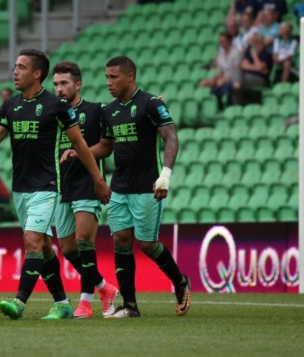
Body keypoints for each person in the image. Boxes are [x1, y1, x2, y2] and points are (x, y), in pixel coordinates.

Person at [0, 48, 111, 320]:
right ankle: (62, 303)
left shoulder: (57, 106)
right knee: (43, 245)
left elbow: (80, 144)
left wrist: (99, 181)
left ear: (36, 73)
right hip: (20, 188)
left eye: (21, 67)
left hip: (47, 186)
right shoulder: (11, 105)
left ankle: (19, 302)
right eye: (14, 67)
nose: (14, 72)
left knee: (31, 241)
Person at [86, 56, 190, 318]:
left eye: (114, 77)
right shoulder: (109, 111)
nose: (108, 82)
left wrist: (165, 175)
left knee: (146, 244)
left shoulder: (151, 103)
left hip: (147, 186)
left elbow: (171, 138)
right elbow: (106, 146)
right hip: (119, 187)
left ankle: (180, 282)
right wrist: (81, 152)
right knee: (121, 241)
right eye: (106, 77)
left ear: (130, 76)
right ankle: (130, 306)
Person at [51, 61, 119, 318]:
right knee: (68, 250)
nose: (59, 89)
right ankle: (105, 288)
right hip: (60, 187)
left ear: (78, 85)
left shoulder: (95, 110)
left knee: (83, 242)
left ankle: (85, 303)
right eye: (56, 84)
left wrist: (79, 153)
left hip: (87, 185)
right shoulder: (51, 112)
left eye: (64, 83)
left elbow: (106, 146)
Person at [200, 32, 242, 110]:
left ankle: (228, 106)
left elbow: (236, 70)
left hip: (235, 78)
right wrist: (214, 79)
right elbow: (220, 71)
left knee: (223, 84)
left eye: (223, 42)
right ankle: (214, 106)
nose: (221, 44)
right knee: (205, 83)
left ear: (230, 42)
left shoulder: (236, 53)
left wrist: (225, 78)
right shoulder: (221, 54)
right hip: (224, 78)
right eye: (220, 42)